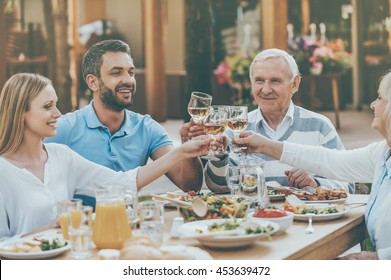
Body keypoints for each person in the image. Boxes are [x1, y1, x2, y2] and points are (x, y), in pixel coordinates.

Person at [0, 73, 211, 242]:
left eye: (56, 104)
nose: (57, 113)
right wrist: (49, 229)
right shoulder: (3, 171)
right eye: (47, 107)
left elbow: (120, 184)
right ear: (20, 113)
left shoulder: (61, 157)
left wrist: (182, 152)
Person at [233, 70, 391, 260]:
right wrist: (265, 145)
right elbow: (331, 161)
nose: (373, 104)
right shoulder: (382, 152)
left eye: (380, 99)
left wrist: (379, 259)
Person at [45, 39, 204, 194]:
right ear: (93, 82)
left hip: (129, 219)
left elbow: (190, 185)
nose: (128, 80)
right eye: (116, 73)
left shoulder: (147, 129)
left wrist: (188, 145)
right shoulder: (65, 128)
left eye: (131, 72)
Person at [200, 48, 353, 193]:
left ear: (295, 84)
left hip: (306, 219)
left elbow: (348, 183)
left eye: (275, 81)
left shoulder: (320, 127)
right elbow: (217, 186)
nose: (266, 90)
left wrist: (316, 184)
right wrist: (219, 158)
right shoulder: (236, 128)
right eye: (259, 80)